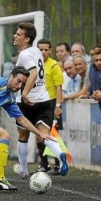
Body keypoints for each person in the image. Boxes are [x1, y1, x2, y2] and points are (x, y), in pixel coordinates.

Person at [13, 22, 68, 178]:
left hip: (27, 102)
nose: (15, 36)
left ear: (27, 38)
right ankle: (60, 154)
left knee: (23, 135)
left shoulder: (24, 55)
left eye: (18, 34)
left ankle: (24, 170)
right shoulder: (36, 51)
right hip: (44, 100)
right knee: (44, 135)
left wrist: (25, 94)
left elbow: (33, 73)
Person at [37, 38, 63, 174]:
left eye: (46, 49)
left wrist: (58, 105)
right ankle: (44, 163)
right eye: (41, 49)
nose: (43, 52)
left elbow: (59, 87)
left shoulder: (54, 66)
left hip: (51, 103)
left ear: (50, 50)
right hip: (37, 103)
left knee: (52, 134)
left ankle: (58, 164)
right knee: (38, 135)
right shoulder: (34, 65)